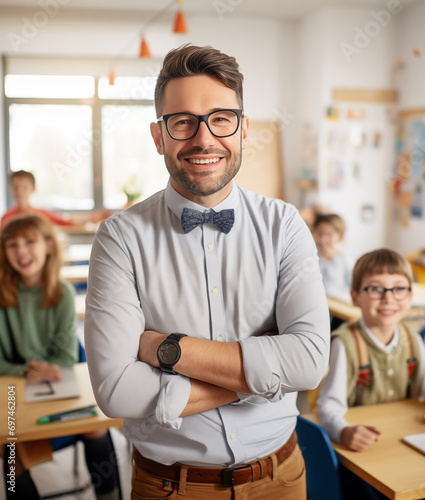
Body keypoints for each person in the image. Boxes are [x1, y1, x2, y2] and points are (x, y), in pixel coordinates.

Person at [84, 44, 330, 500]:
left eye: (221, 118)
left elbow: (311, 363)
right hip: (169, 486)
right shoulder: (118, 238)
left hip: (282, 478)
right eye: (183, 122)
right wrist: (262, 376)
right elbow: (116, 391)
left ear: (242, 131)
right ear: (159, 136)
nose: (203, 139)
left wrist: (166, 349)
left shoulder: (285, 225)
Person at [317, 248, 425, 499]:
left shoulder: (411, 338)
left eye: (399, 288)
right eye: (376, 289)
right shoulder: (345, 343)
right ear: (355, 296)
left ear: (410, 296)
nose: (389, 298)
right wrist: (345, 431)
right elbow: (328, 405)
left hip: (404, 445)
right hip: (364, 455)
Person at [0, 215, 120, 500]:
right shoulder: (2, 297)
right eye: (12, 245)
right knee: (12, 454)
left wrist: (51, 368)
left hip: (57, 395)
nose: (21, 251)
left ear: (49, 247)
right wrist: (27, 370)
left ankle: (110, 495)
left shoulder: (62, 294)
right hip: (14, 397)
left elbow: (67, 357)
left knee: (96, 430)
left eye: (30, 241)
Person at [1, 170, 77, 228]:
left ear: (33, 188)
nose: (20, 192)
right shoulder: (6, 218)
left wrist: (86, 219)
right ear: (10, 188)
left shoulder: (41, 215)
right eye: (16, 187)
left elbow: (66, 222)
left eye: (24, 187)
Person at [312, 212, 353, 297]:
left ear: (339, 236)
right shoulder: (312, 254)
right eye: (319, 233)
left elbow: (352, 283)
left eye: (329, 234)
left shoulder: (344, 257)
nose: (323, 239)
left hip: (338, 303)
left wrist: (334, 261)